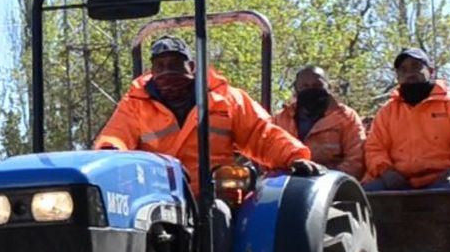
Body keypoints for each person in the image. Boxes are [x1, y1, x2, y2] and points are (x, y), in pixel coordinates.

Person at [94, 35, 322, 195]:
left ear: (191, 67)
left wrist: (293, 156)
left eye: (174, 64)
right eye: (160, 66)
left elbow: (261, 134)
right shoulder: (136, 104)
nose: (167, 72)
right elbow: (116, 136)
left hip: (214, 194)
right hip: (157, 195)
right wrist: (108, 155)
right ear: (152, 71)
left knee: (219, 220)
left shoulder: (226, 99)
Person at [361, 47, 450, 191]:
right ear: (397, 77)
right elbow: (374, 149)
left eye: (416, 66)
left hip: (444, 180)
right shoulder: (387, 112)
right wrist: (386, 172)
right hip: (397, 182)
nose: (409, 73)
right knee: (364, 195)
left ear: (431, 71)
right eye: (403, 69)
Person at [272, 65, 367, 180]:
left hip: (333, 186)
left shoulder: (346, 117)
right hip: (289, 183)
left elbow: (356, 160)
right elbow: (268, 160)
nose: (311, 89)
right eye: (305, 86)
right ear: (296, 88)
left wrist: (324, 179)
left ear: (328, 87)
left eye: (317, 85)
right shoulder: (280, 120)